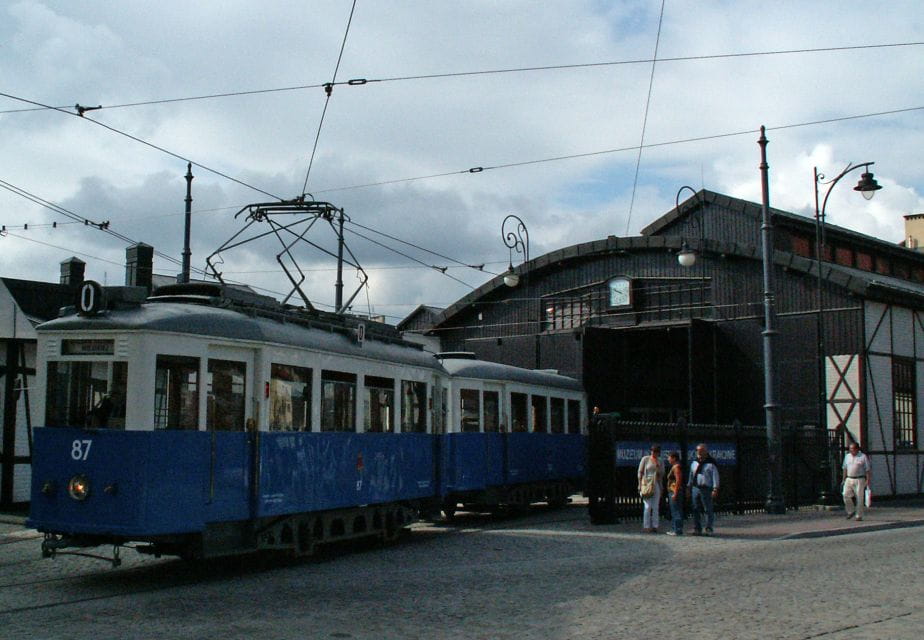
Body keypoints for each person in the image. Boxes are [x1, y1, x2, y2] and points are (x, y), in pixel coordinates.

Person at [688, 443, 719, 535]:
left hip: (706, 488)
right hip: (695, 488)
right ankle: (697, 528)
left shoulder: (711, 463)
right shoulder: (694, 462)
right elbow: (691, 475)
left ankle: (709, 528)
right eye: (697, 450)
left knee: (707, 508)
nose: (699, 452)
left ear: (706, 451)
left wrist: (715, 488)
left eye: (701, 450)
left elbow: (715, 476)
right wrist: (688, 486)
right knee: (695, 508)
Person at [842, 441, 871, 521]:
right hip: (849, 478)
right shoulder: (847, 456)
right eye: (850, 449)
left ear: (857, 449)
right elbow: (844, 468)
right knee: (845, 494)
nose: (851, 450)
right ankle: (850, 511)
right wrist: (843, 479)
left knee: (859, 497)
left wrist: (868, 480)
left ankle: (859, 515)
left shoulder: (863, 456)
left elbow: (867, 469)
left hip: (859, 479)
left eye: (853, 449)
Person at [637, 444, 663, 533]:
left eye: (656, 451)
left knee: (656, 506)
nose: (653, 453)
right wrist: (640, 484)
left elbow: (662, 473)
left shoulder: (660, 461)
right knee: (647, 506)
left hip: (656, 483)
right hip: (647, 483)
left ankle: (655, 525)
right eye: (652, 451)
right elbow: (640, 472)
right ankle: (646, 525)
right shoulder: (645, 459)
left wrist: (658, 467)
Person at [665, 451, 683, 536]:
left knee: (676, 510)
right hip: (673, 490)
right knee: (675, 510)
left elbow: (678, 480)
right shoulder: (674, 466)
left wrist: (675, 493)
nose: (668, 459)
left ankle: (677, 529)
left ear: (674, 458)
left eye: (669, 457)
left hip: (674, 490)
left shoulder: (676, 467)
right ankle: (676, 528)